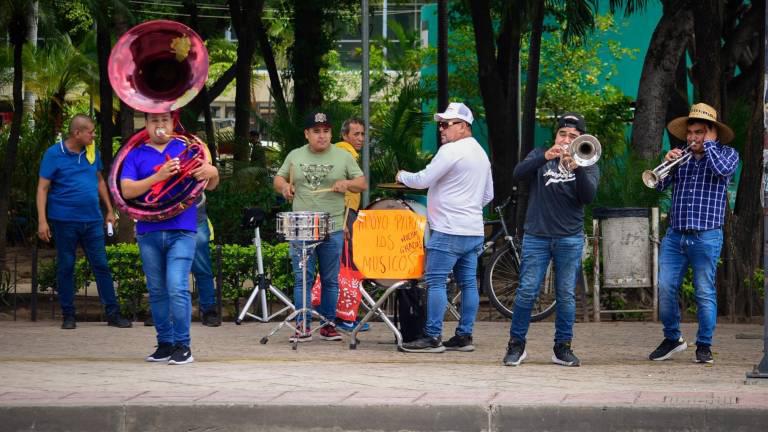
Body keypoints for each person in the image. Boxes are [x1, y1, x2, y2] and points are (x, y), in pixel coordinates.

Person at [120, 111, 219, 365]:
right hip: (148, 230)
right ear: (147, 124)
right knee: (156, 290)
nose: (160, 125)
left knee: (177, 286)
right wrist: (158, 176)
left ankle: (183, 345)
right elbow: (126, 189)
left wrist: (212, 170)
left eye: (164, 120)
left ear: (172, 123)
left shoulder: (187, 148)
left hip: (182, 228)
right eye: (154, 121)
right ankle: (165, 343)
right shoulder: (136, 153)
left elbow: (211, 183)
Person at [502, 112, 599, 367]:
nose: (566, 139)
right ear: (556, 135)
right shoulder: (539, 154)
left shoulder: (588, 161)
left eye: (573, 136)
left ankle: (562, 347)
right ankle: (516, 345)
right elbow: (517, 174)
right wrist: (545, 157)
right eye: (563, 134)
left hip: (569, 237)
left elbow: (587, 197)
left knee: (566, 295)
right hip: (537, 235)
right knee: (526, 292)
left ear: (582, 140)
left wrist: (577, 168)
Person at [395, 102, 494, 353]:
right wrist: (468, 206)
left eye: (446, 124)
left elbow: (423, 180)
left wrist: (402, 176)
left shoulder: (451, 151)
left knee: (436, 281)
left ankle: (432, 336)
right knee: (469, 284)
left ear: (463, 127)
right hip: (472, 229)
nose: (441, 129)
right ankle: (464, 336)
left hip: (449, 229)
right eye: (440, 124)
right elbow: (488, 195)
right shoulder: (480, 153)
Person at [648, 103, 739, 364]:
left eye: (699, 132)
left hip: (706, 236)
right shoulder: (682, 158)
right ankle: (672, 339)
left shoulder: (727, 153)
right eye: (690, 133)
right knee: (665, 288)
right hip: (676, 235)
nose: (692, 138)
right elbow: (658, 183)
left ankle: (704, 345)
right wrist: (667, 162)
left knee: (703, 292)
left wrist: (709, 146)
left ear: (712, 133)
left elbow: (723, 171)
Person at [273, 111, 367, 343]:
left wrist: (347, 183)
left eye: (326, 131)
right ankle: (302, 325)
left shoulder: (343, 156)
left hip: (333, 224)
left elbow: (362, 183)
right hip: (302, 225)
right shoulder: (295, 155)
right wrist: (285, 187)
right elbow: (278, 179)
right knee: (302, 278)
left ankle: (328, 324)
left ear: (331, 133)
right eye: (316, 131)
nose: (322, 136)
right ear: (307, 134)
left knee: (330, 278)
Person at [36, 114, 132, 330]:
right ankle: (68, 315)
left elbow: (99, 181)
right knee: (66, 266)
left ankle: (113, 314)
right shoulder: (53, 154)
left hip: (92, 220)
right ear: (77, 133)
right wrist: (42, 221)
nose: (94, 134)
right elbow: (42, 188)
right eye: (90, 131)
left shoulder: (92, 152)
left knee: (101, 266)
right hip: (64, 221)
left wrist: (109, 210)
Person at [334, 117, 369, 332]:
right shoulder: (345, 152)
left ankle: (345, 316)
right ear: (345, 136)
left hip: (347, 213)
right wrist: (342, 222)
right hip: (344, 214)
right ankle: (345, 318)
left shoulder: (342, 153)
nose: (361, 138)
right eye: (356, 134)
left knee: (344, 266)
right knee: (347, 267)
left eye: (362, 134)